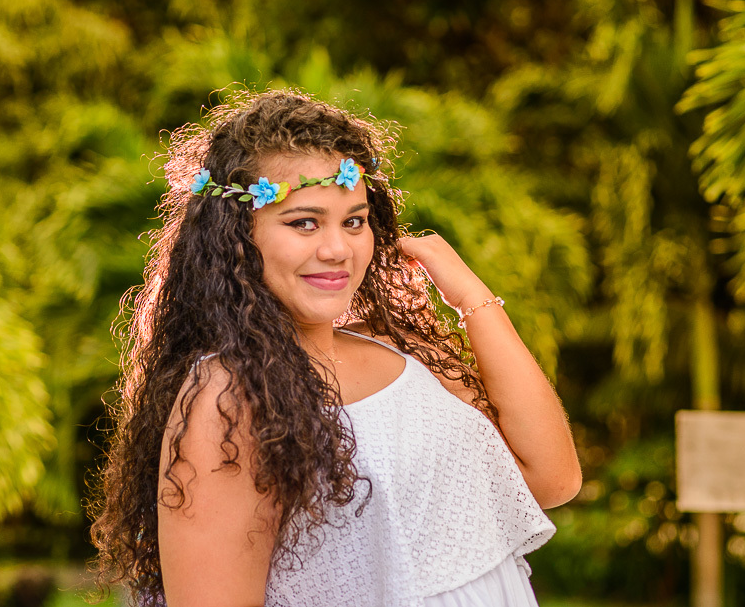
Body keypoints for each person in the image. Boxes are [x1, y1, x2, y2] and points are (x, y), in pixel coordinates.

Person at [90, 91, 581, 607]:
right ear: (237, 235)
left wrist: (472, 298)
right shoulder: (230, 398)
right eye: (303, 222)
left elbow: (551, 478)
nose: (337, 249)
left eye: (354, 220)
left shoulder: (399, 348)